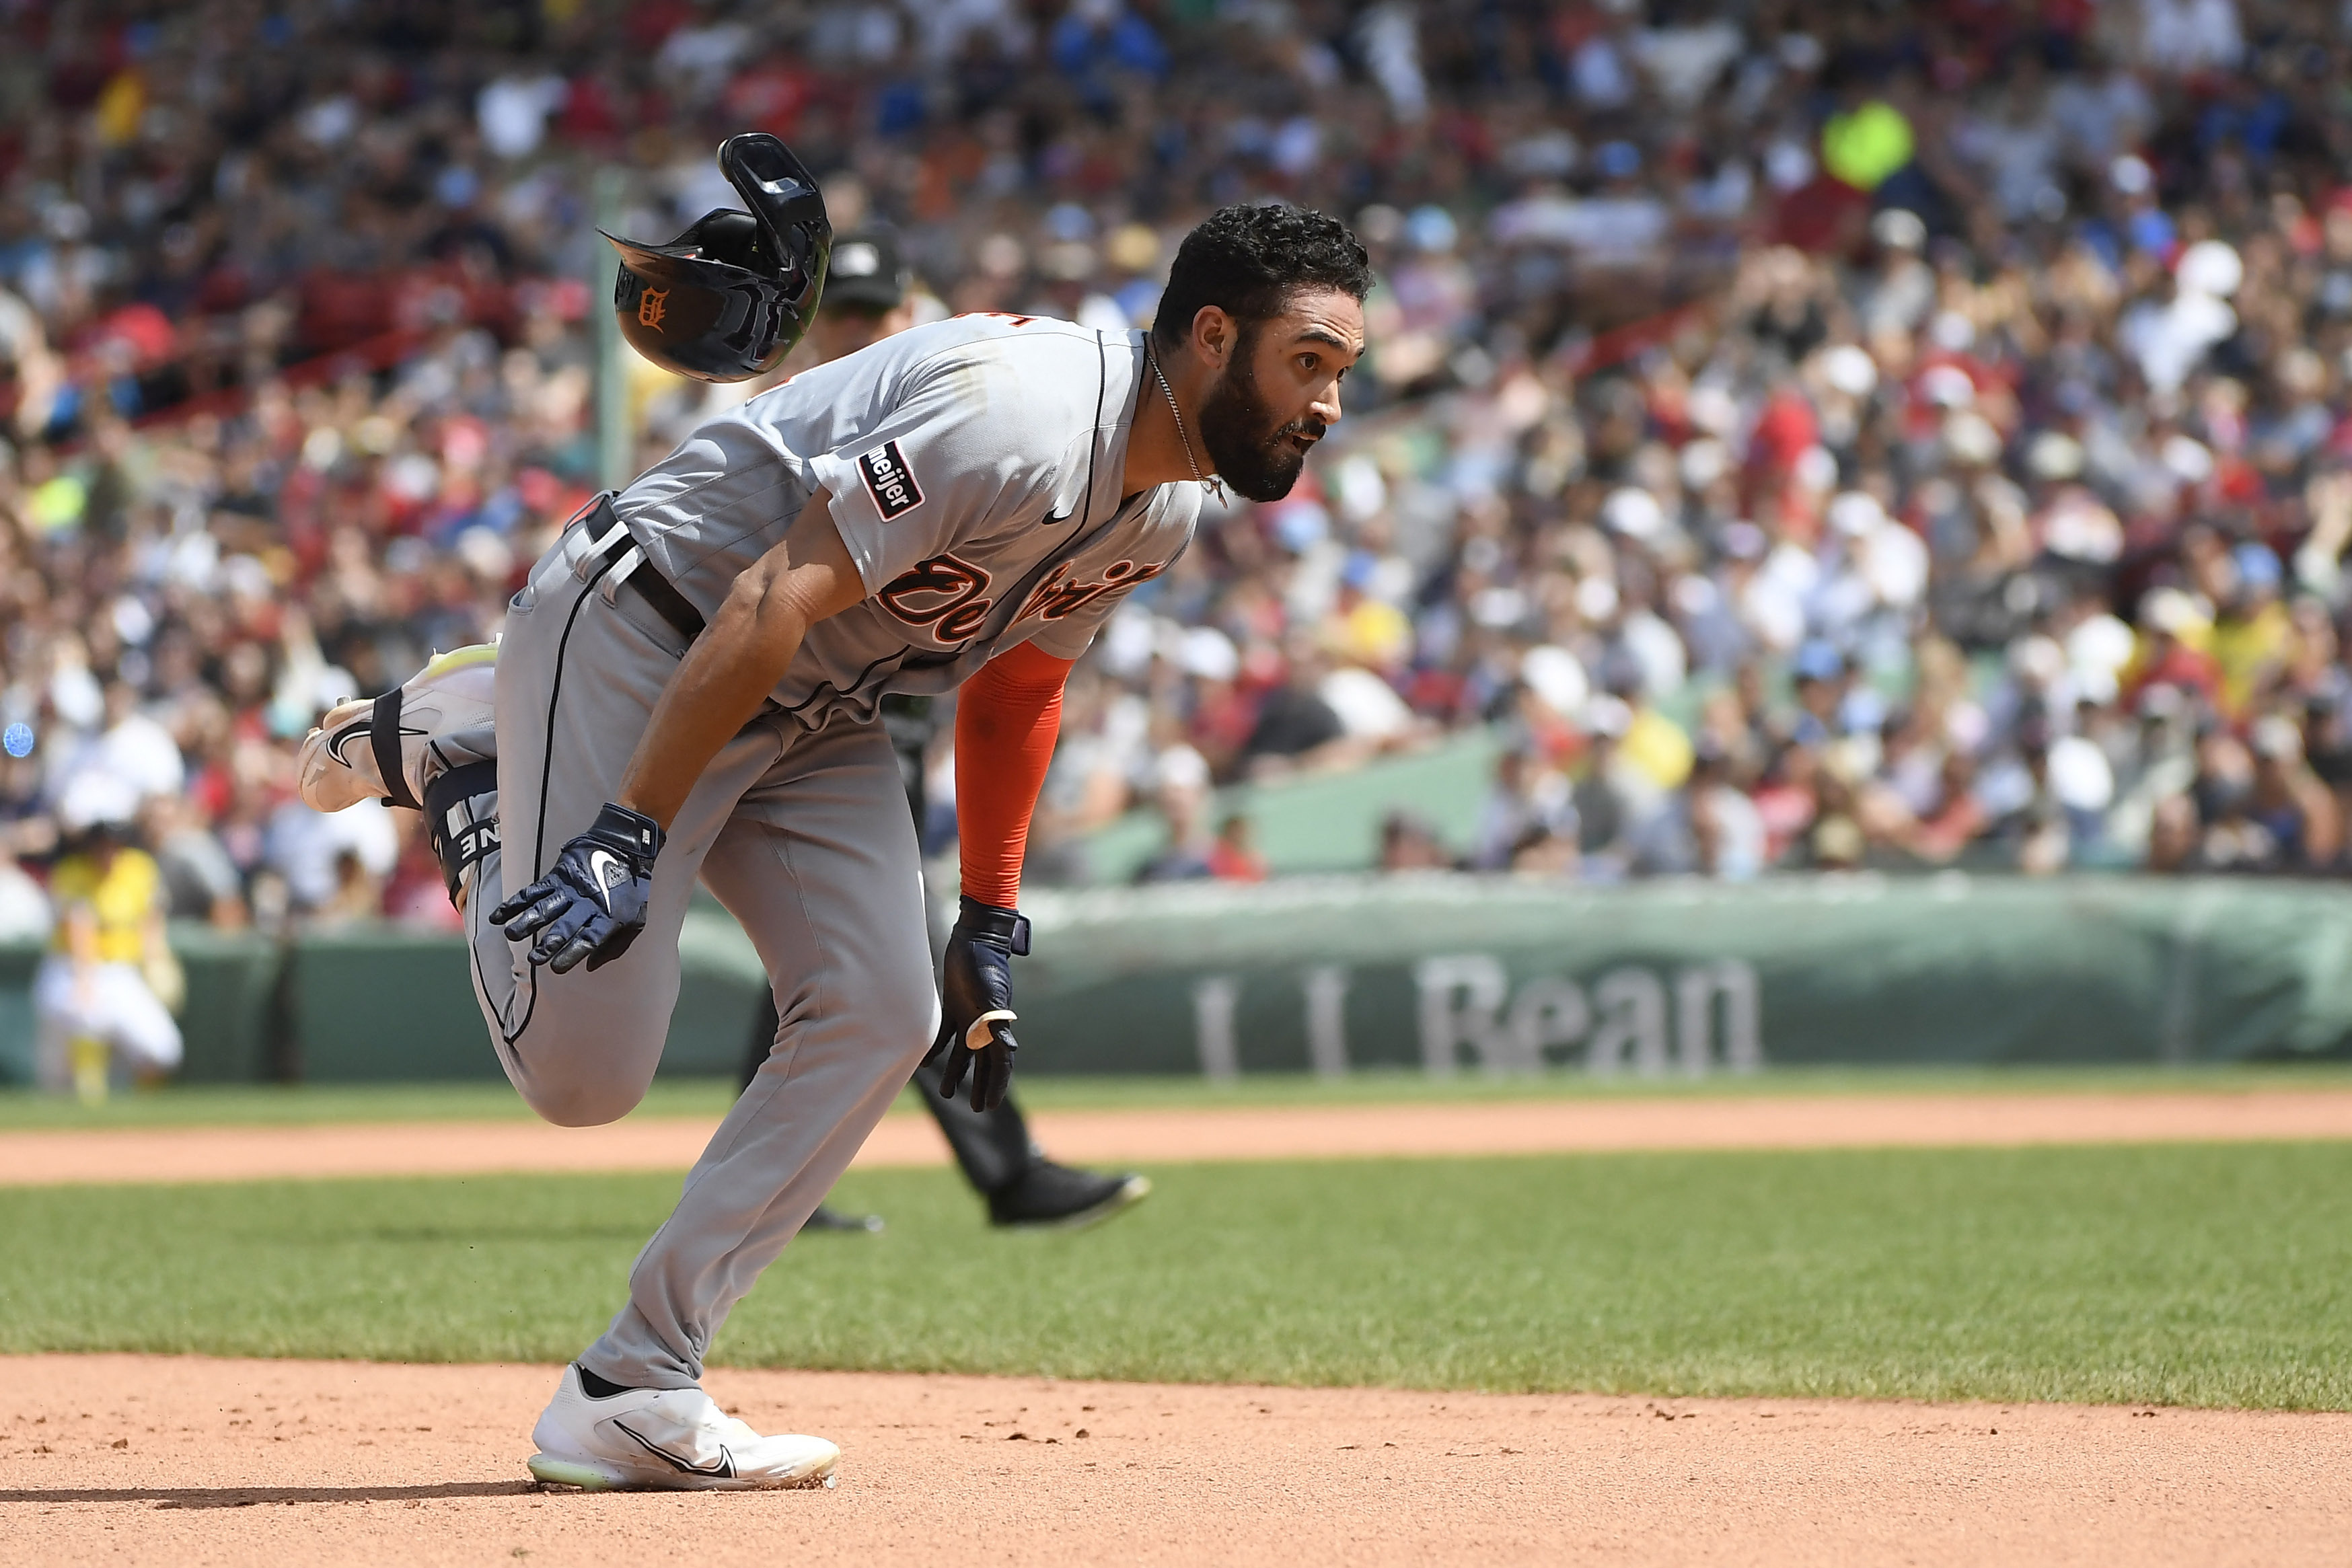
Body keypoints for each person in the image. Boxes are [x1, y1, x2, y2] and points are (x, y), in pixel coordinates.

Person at [297, 135, 1370, 1492]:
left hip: (819, 705)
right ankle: (467, 762)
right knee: (583, 1081)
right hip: (649, 631)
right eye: (1310, 362)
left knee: (881, 1006)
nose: (1329, 404)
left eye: (1341, 372)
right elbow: (768, 596)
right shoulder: (1025, 413)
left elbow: (1019, 686)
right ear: (1212, 333)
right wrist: (623, 831)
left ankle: (636, 1378)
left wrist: (986, 910)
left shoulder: (1158, 510)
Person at [743, 229, 1152, 1236]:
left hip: (887, 722)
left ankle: (777, 1188)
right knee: (905, 963)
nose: (866, 329)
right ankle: (1009, 1173)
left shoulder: (955, 415)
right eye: (845, 313)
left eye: (880, 311)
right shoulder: (787, 432)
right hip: (794, 718)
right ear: (809, 330)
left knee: (820, 971)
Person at [34, 774, 184, 1100]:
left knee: (164, 1051)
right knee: (88, 1018)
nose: (108, 851)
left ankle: (133, 1120)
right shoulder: (72, 872)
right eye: (100, 843)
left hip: (121, 971)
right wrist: (85, 981)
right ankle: (91, 1101)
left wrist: (157, 960)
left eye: (114, 842)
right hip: (70, 969)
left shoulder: (139, 868)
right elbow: (79, 930)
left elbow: (151, 922)